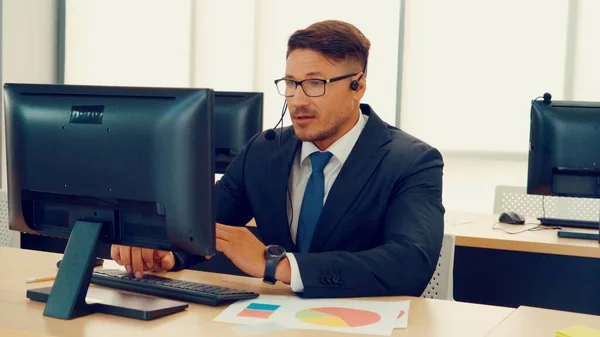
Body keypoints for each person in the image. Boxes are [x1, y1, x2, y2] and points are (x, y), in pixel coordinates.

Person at [111, 19, 445, 298]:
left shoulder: (411, 162)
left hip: (361, 324)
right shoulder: (264, 151)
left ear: (358, 86)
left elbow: (410, 263)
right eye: (290, 83)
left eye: (315, 83)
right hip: (275, 321)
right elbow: (203, 223)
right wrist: (166, 252)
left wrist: (280, 265)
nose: (298, 100)